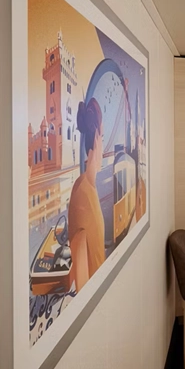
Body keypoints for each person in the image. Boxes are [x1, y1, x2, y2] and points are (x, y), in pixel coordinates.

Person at [68, 97, 106, 292]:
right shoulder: (83, 195)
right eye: (103, 137)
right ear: (97, 138)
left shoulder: (88, 187)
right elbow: (82, 283)